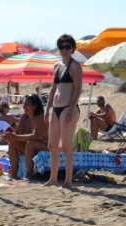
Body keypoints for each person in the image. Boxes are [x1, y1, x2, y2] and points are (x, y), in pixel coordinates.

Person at [45, 34, 82, 188]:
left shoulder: (75, 66)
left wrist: (71, 108)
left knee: (66, 146)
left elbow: (78, 89)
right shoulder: (56, 65)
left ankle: (68, 181)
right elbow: (53, 90)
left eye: (68, 47)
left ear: (72, 48)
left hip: (69, 108)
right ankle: (53, 179)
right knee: (52, 145)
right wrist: (47, 109)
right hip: (56, 108)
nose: (65, 50)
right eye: (62, 47)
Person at [0, 94, 49, 180]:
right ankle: (14, 174)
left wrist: (15, 136)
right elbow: (17, 133)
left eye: (27, 104)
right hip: (30, 148)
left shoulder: (41, 117)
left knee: (30, 144)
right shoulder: (24, 118)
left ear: (34, 106)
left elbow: (35, 136)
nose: (24, 107)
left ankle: (29, 175)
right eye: (24, 104)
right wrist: (8, 136)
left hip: (44, 146)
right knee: (13, 143)